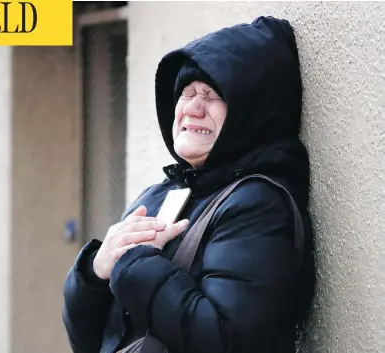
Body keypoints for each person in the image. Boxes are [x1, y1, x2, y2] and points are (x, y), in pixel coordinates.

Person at [63, 16, 315, 353]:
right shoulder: (160, 194)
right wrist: (94, 273)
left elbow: (231, 342)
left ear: (250, 111)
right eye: (187, 92)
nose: (192, 108)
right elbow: (93, 343)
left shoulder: (258, 205)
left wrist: (133, 265)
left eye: (212, 95)